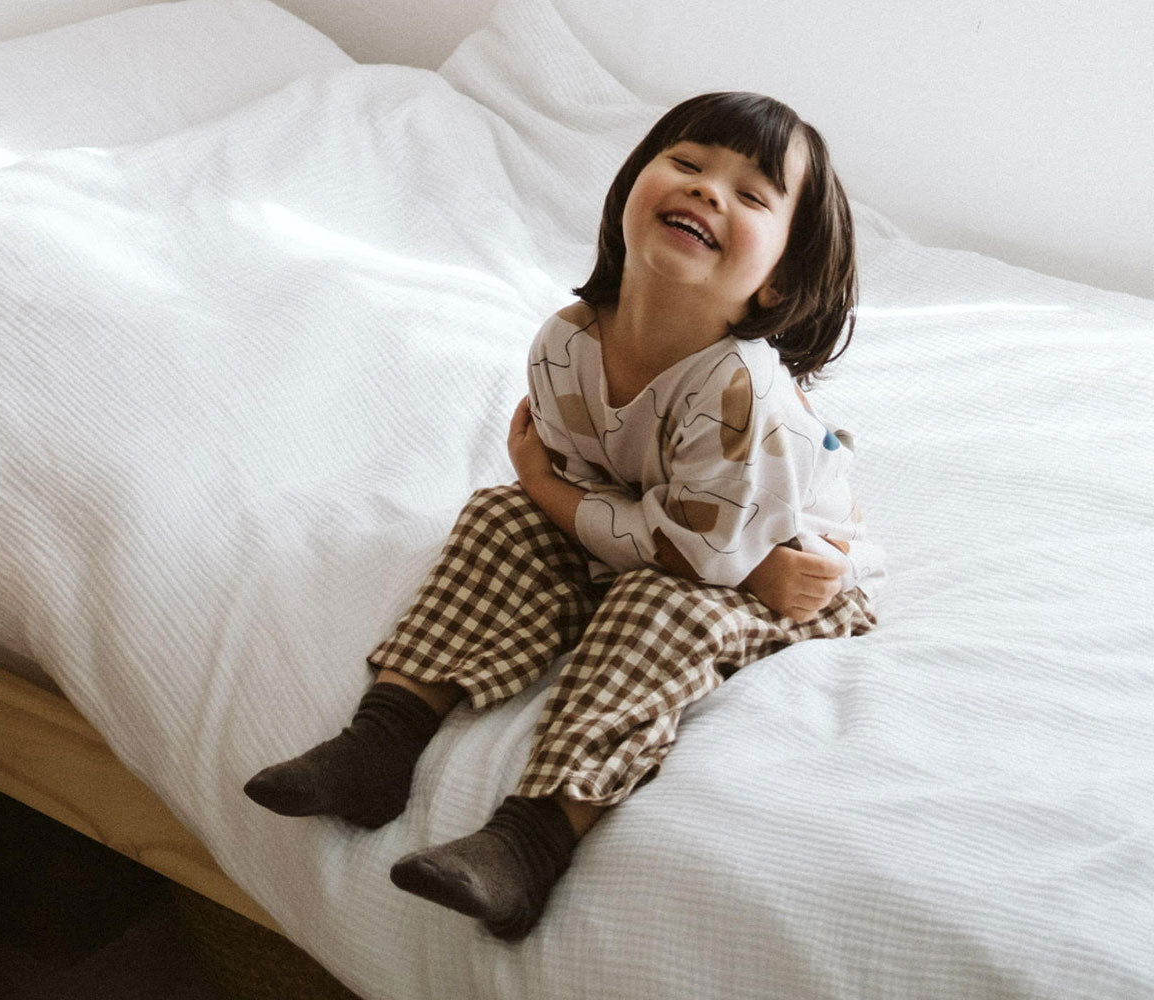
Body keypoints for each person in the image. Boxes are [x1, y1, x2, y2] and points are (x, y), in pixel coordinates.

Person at [243, 92, 884, 940]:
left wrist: (553, 492)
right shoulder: (568, 341)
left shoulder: (743, 395)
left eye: (751, 194)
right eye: (687, 165)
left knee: (655, 607)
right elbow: (587, 488)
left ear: (778, 284)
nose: (706, 192)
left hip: (777, 562)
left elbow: (690, 556)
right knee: (503, 520)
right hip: (661, 524)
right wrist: (545, 500)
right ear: (630, 193)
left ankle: (532, 841)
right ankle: (382, 741)